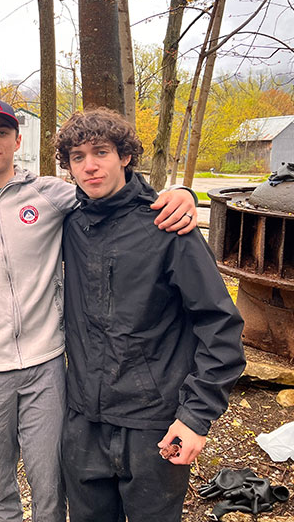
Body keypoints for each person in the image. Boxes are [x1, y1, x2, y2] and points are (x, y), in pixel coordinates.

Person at [0, 97, 199, 522]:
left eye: (2, 132)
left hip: (46, 367)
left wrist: (179, 194)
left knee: (50, 485)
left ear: (17, 139)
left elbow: (115, 193)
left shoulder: (53, 195)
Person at [55, 108, 245, 522]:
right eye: (77, 156)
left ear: (124, 156)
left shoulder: (167, 225)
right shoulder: (68, 223)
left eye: (100, 152)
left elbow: (220, 325)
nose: (89, 166)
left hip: (152, 423)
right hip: (84, 420)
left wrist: (196, 416)